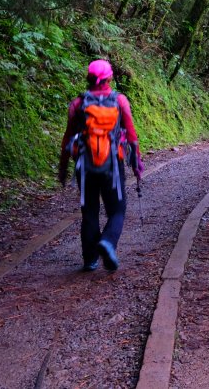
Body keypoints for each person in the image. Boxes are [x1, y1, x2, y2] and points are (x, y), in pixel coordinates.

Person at [59, 59, 143, 272]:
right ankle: (107, 241)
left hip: (85, 165)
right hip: (113, 164)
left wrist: (62, 168)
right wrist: (136, 164)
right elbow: (132, 136)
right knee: (117, 209)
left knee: (89, 211)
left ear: (88, 77)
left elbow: (67, 138)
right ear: (110, 78)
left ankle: (90, 259)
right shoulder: (120, 101)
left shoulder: (77, 104)